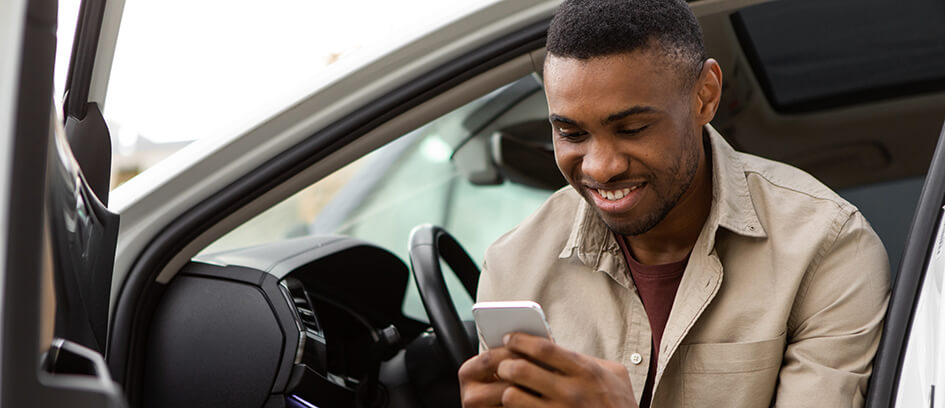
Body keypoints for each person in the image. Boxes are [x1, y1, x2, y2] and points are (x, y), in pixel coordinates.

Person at [458, 0, 890, 407]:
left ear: (705, 96)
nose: (602, 167)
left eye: (632, 128)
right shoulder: (514, 264)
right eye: (571, 134)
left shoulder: (828, 247)